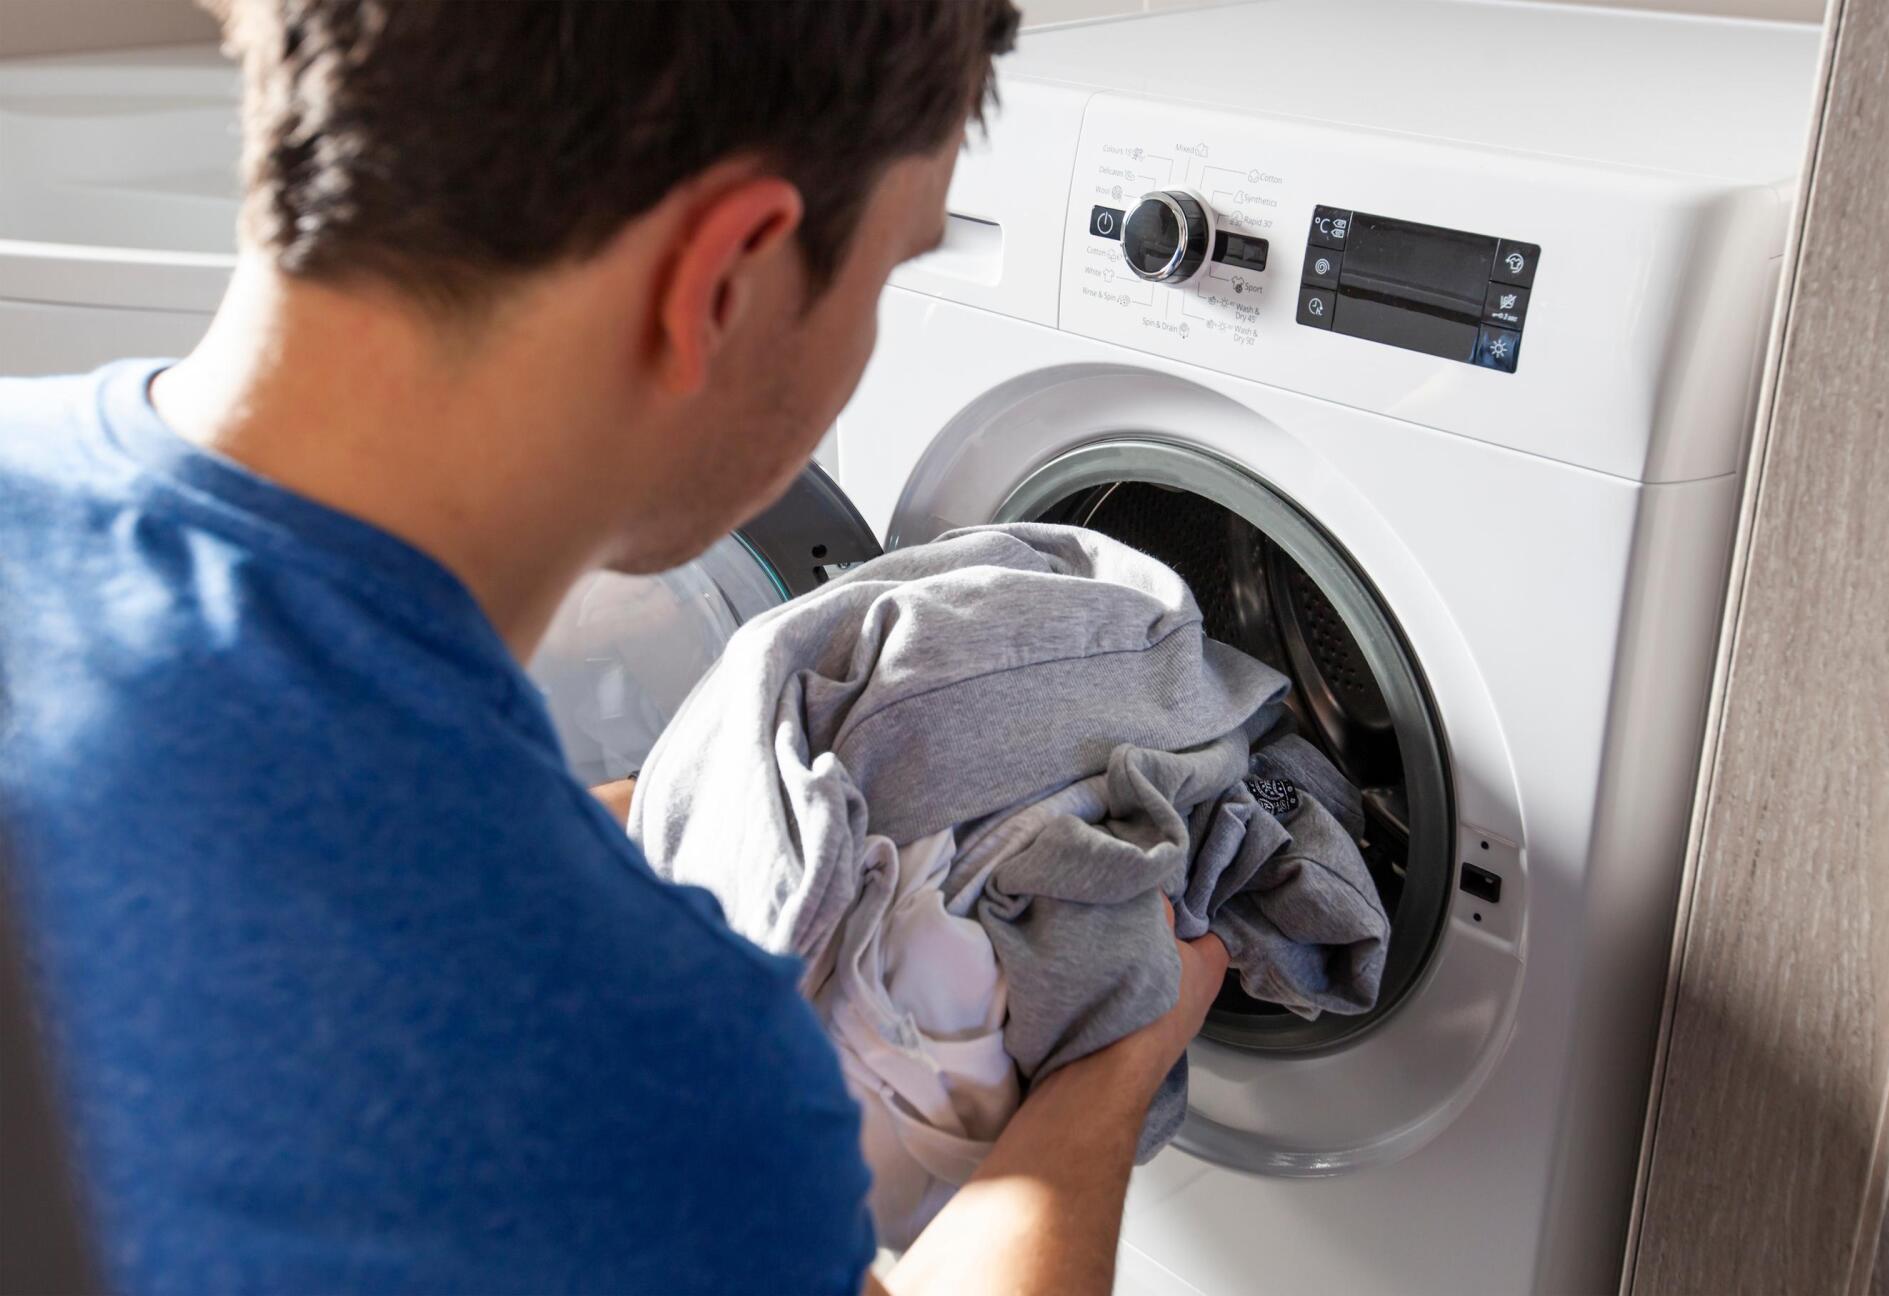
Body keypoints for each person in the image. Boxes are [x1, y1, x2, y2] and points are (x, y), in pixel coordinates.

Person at [0, 2, 1233, 1293]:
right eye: (887, 272)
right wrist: (1112, 1064)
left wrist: (644, 824)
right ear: (726, 279)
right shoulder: (651, 1078)